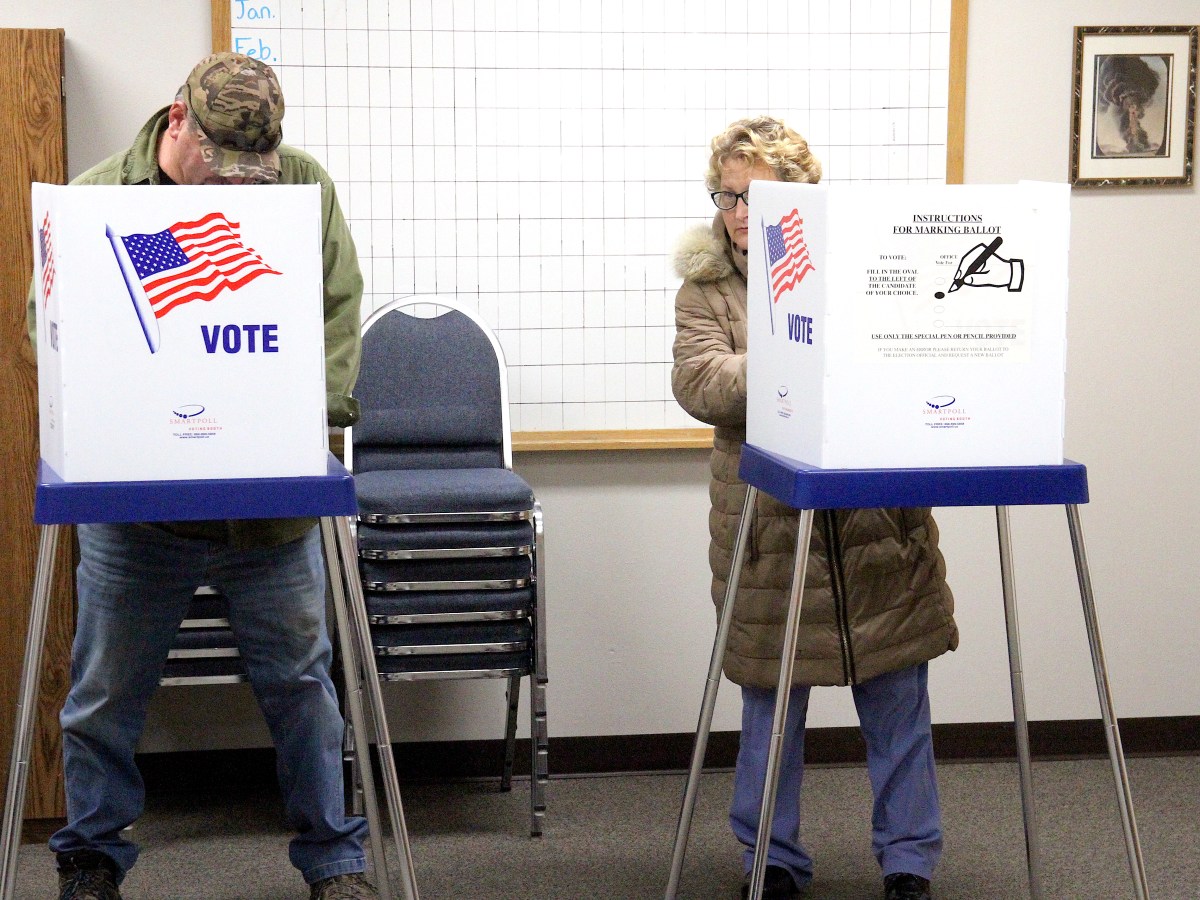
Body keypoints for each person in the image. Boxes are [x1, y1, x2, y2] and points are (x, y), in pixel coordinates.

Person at [27, 53, 376, 900]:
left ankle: (334, 862)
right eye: (220, 163)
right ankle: (90, 859)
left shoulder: (301, 185)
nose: (235, 184)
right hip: (140, 510)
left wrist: (312, 410)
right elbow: (49, 326)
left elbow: (337, 305)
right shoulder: (101, 200)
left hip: (267, 505)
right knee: (103, 695)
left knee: (304, 689)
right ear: (177, 118)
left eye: (252, 169)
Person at [671, 116, 958, 900]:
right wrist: (796, 352)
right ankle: (770, 861)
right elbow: (701, 383)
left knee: (898, 701)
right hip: (768, 529)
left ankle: (909, 862)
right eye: (727, 196)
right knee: (770, 711)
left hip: (876, 526)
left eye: (755, 197)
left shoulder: (873, 267)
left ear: (801, 201)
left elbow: (911, 363)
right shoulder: (705, 290)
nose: (738, 213)